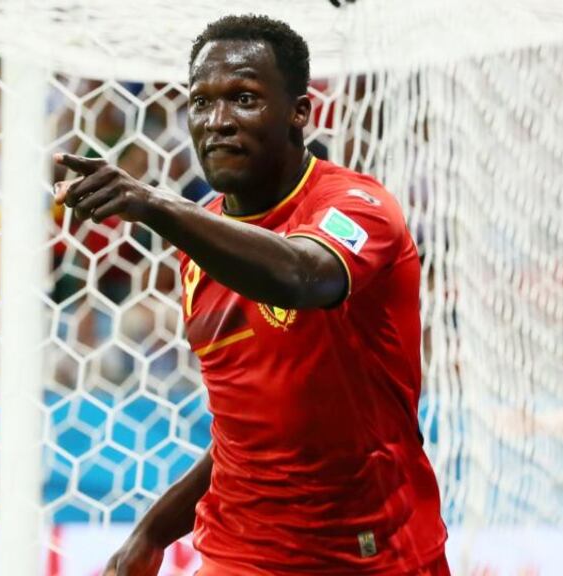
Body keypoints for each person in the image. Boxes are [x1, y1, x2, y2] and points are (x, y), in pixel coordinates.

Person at [54, 14, 447, 575]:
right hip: (239, 553)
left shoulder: (358, 208)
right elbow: (243, 435)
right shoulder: (199, 243)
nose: (217, 122)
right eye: (201, 102)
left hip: (371, 553)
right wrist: (150, 534)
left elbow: (303, 277)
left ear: (299, 112)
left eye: (243, 99)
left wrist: (155, 204)